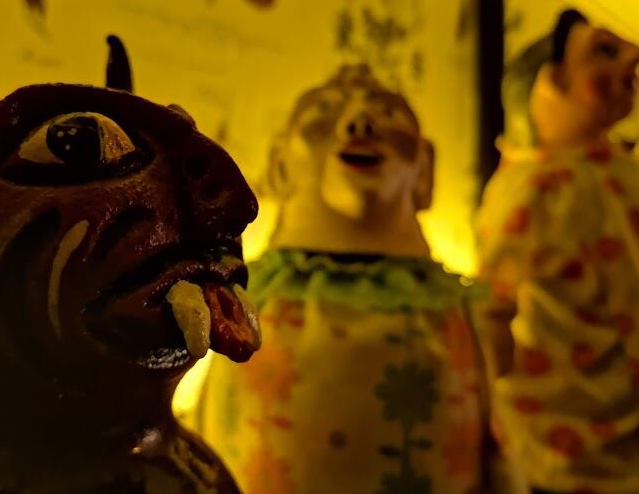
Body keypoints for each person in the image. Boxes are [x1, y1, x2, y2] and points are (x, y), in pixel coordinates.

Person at [198, 63, 491, 494]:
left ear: (425, 167)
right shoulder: (248, 300)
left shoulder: (451, 308)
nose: (359, 124)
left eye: (388, 114)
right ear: (280, 163)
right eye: (325, 112)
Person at [476, 9, 639, 494]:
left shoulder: (621, 168)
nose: (632, 58)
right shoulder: (532, 187)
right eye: (603, 53)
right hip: (563, 435)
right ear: (551, 84)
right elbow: (493, 309)